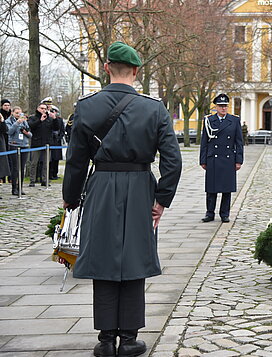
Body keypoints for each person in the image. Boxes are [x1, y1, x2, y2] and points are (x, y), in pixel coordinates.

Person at [62, 41, 182, 357]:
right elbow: (173, 160)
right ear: (136, 71)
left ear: (106, 69)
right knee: (134, 259)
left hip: (101, 184)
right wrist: (162, 200)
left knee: (102, 259)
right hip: (141, 185)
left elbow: (75, 160)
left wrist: (71, 198)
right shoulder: (154, 108)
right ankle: (129, 339)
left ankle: (105, 340)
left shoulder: (86, 106)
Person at [200, 93, 243, 223]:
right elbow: (204, 141)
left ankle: (224, 214)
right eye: (220, 106)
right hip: (213, 158)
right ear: (216, 107)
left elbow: (239, 142)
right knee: (211, 188)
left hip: (228, 158)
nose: (223, 108)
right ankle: (210, 213)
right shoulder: (209, 120)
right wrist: (202, 160)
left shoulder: (234, 120)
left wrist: (239, 160)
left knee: (226, 189)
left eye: (225, 106)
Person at [27, 102, 58, 186]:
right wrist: (40, 120)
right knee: (34, 163)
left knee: (46, 163)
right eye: (41, 108)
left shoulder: (49, 119)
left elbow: (56, 128)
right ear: (38, 109)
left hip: (47, 143)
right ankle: (32, 180)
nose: (43, 110)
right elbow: (31, 126)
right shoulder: (33, 118)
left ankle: (45, 180)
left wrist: (55, 119)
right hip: (36, 143)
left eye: (45, 108)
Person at [6, 107, 31, 196]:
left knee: (22, 167)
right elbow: (9, 131)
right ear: (12, 113)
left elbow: (30, 134)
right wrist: (17, 123)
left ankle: (20, 187)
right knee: (15, 168)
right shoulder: (9, 121)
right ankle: (14, 188)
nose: (18, 115)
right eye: (16, 113)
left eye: (20, 113)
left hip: (24, 145)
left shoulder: (24, 121)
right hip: (14, 145)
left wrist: (26, 132)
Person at [49, 106, 65, 180]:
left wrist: (59, 137)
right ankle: (50, 174)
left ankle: (55, 173)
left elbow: (62, 130)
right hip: (50, 140)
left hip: (57, 141)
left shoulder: (60, 120)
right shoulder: (48, 119)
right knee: (50, 159)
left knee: (56, 158)